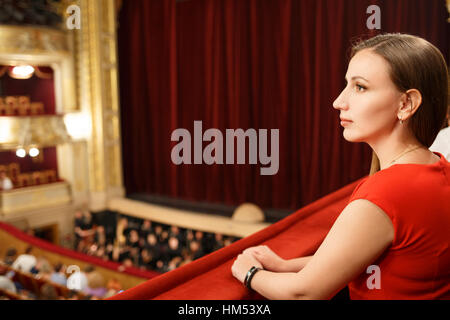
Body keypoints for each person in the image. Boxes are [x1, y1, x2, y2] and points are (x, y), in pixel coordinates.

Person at [232, 33, 450, 299]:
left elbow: (302, 294)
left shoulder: (386, 193)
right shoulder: (440, 166)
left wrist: (249, 273)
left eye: (360, 87)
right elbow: (375, 261)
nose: (339, 102)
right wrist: (286, 266)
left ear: (406, 104)